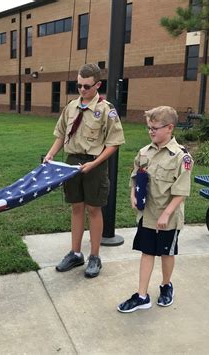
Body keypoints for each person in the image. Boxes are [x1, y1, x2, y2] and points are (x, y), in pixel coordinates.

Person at [44, 63, 125, 278]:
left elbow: (114, 143)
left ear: (97, 85)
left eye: (86, 86)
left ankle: (95, 257)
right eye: (78, 85)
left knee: (94, 210)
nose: (82, 90)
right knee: (76, 208)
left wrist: (95, 163)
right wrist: (51, 154)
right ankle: (76, 253)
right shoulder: (71, 107)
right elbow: (61, 134)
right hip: (71, 163)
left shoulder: (106, 110)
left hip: (94, 164)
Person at [117, 106, 193, 313]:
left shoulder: (181, 157)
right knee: (147, 252)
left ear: (169, 128)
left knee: (166, 254)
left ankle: (166, 285)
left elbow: (181, 192)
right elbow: (136, 177)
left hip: (168, 217)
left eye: (155, 128)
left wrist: (167, 214)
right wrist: (133, 194)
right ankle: (142, 296)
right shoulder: (144, 153)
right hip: (147, 215)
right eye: (149, 128)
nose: (151, 131)